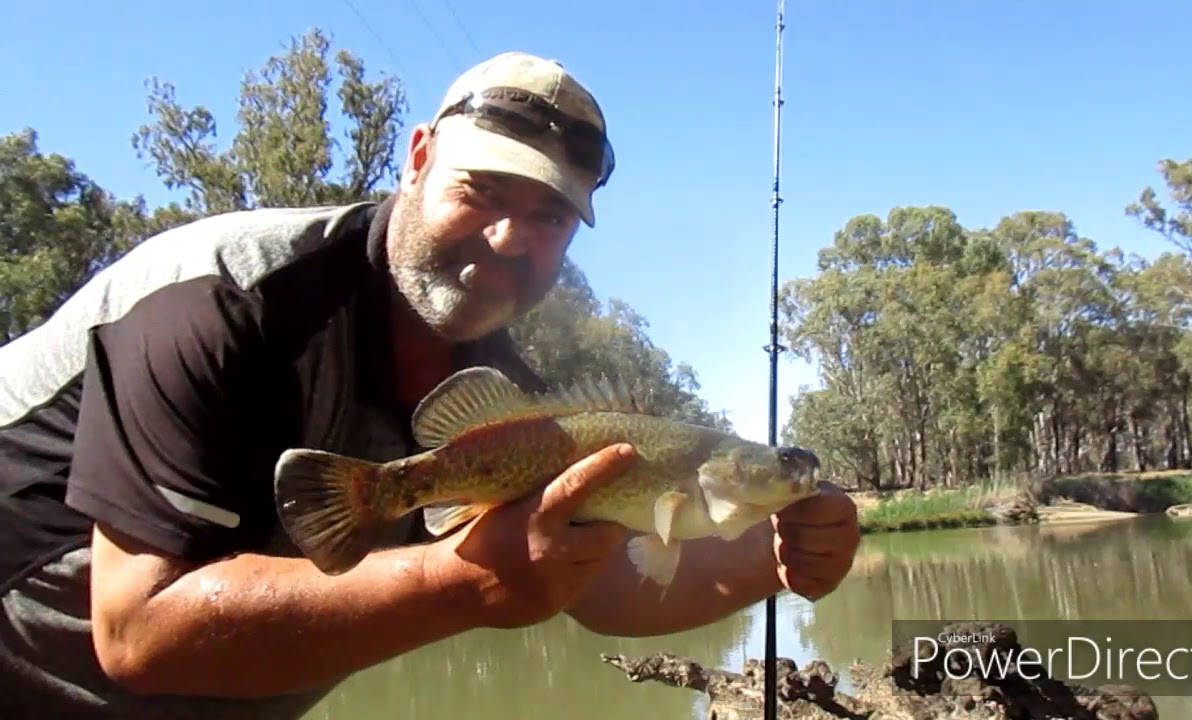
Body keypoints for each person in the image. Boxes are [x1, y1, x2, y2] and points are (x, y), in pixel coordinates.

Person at [0, 51, 860, 719]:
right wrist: (461, 583)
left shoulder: (505, 391)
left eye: (551, 216)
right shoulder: (221, 298)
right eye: (481, 190)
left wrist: (774, 562)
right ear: (416, 157)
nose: (510, 237)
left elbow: (600, 586)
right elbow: (137, 632)